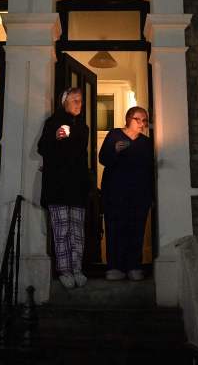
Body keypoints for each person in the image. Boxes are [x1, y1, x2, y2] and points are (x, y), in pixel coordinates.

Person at [37, 87, 90, 289]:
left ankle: (77, 269)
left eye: (80, 101)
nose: (79, 104)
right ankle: (64, 270)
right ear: (64, 102)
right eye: (75, 100)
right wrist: (56, 138)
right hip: (58, 185)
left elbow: (80, 151)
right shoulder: (52, 123)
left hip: (77, 185)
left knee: (77, 231)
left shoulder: (82, 127)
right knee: (61, 231)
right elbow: (42, 147)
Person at [98, 106, 154, 281]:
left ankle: (134, 266)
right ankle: (115, 266)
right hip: (115, 193)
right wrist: (115, 150)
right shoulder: (114, 135)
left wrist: (150, 194)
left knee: (136, 229)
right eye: (139, 119)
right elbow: (103, 159)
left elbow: (149, 169)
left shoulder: (146, 143)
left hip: (139, 194)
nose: (142, 124)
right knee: (115, 228)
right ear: (129, 118)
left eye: (145, 120)